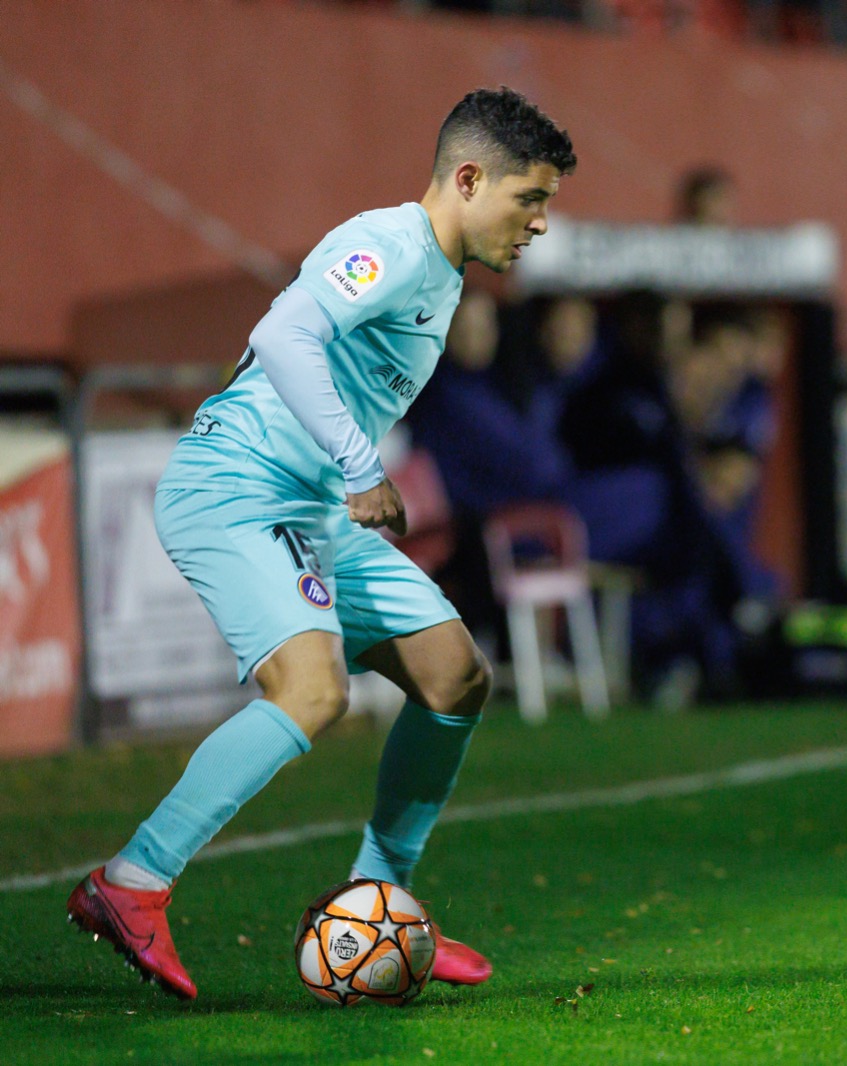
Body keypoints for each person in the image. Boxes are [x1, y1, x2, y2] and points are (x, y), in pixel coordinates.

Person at [65, 88, 577, 999]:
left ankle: (380, 900)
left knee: (453, 673)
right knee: (312, 691)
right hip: (240, 492)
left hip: (306, 509)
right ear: (468, 179)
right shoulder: (391, 243)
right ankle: (131, 882)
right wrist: (357, 466)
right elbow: (284, 333)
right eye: (528, 198)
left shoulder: (443, 273)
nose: (538, 223)